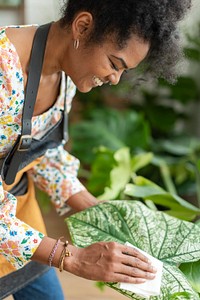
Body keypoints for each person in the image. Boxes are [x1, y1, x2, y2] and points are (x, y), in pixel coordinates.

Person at [0, 0, 192, 299]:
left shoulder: (64, 71)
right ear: (83, 26)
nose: (114, 79)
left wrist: (100, 211)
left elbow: (42, 152)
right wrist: (72, 257)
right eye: (115, 64)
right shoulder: (3, 70)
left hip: (19, 214)